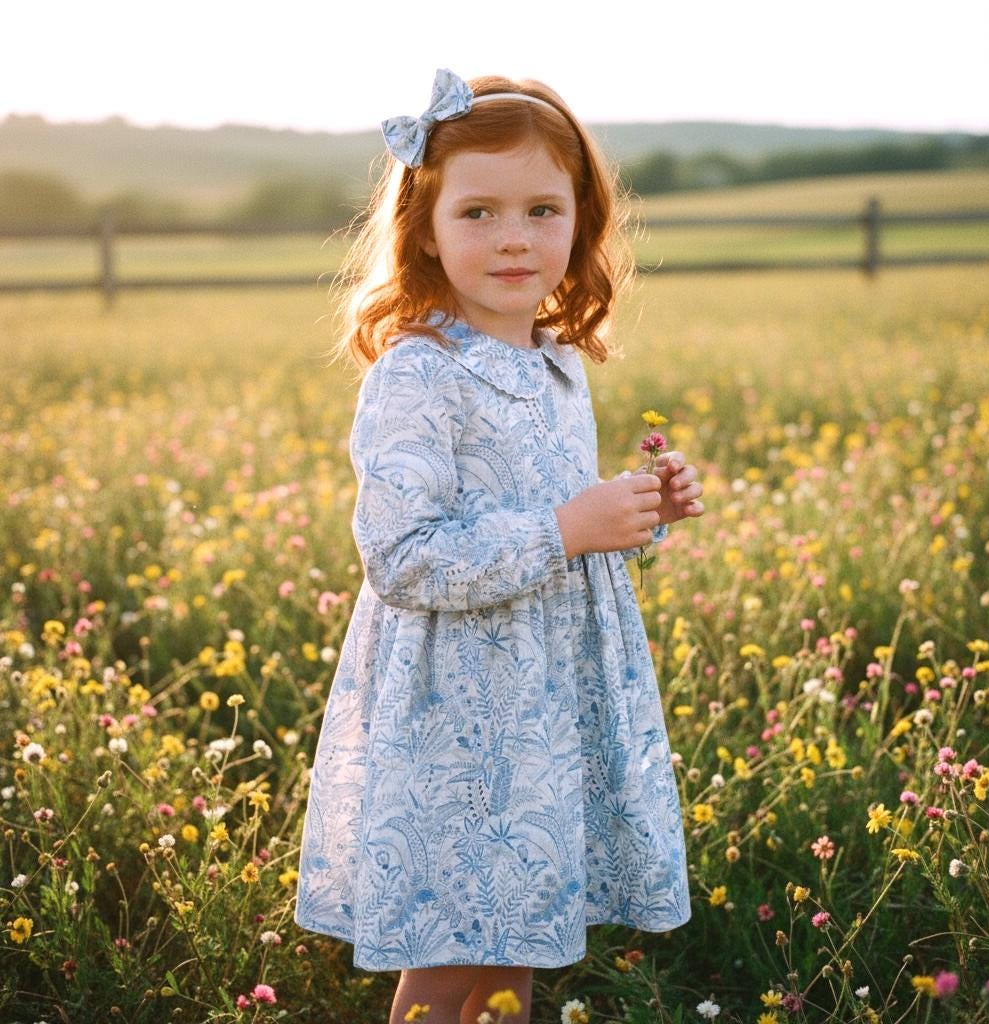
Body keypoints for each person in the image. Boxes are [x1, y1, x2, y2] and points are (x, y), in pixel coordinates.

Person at [294, 68, 705, 1024]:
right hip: (457, 721)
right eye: (477, 211)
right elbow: (404, 556)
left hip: (542, 712)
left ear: (582, 223)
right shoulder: (418, 373)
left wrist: (634, 515)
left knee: (512, 939)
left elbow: (558, 540)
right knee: (455, 947)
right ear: (424, 231)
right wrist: (570, 526)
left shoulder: (557, 368)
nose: (513, 237)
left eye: (541, 209)